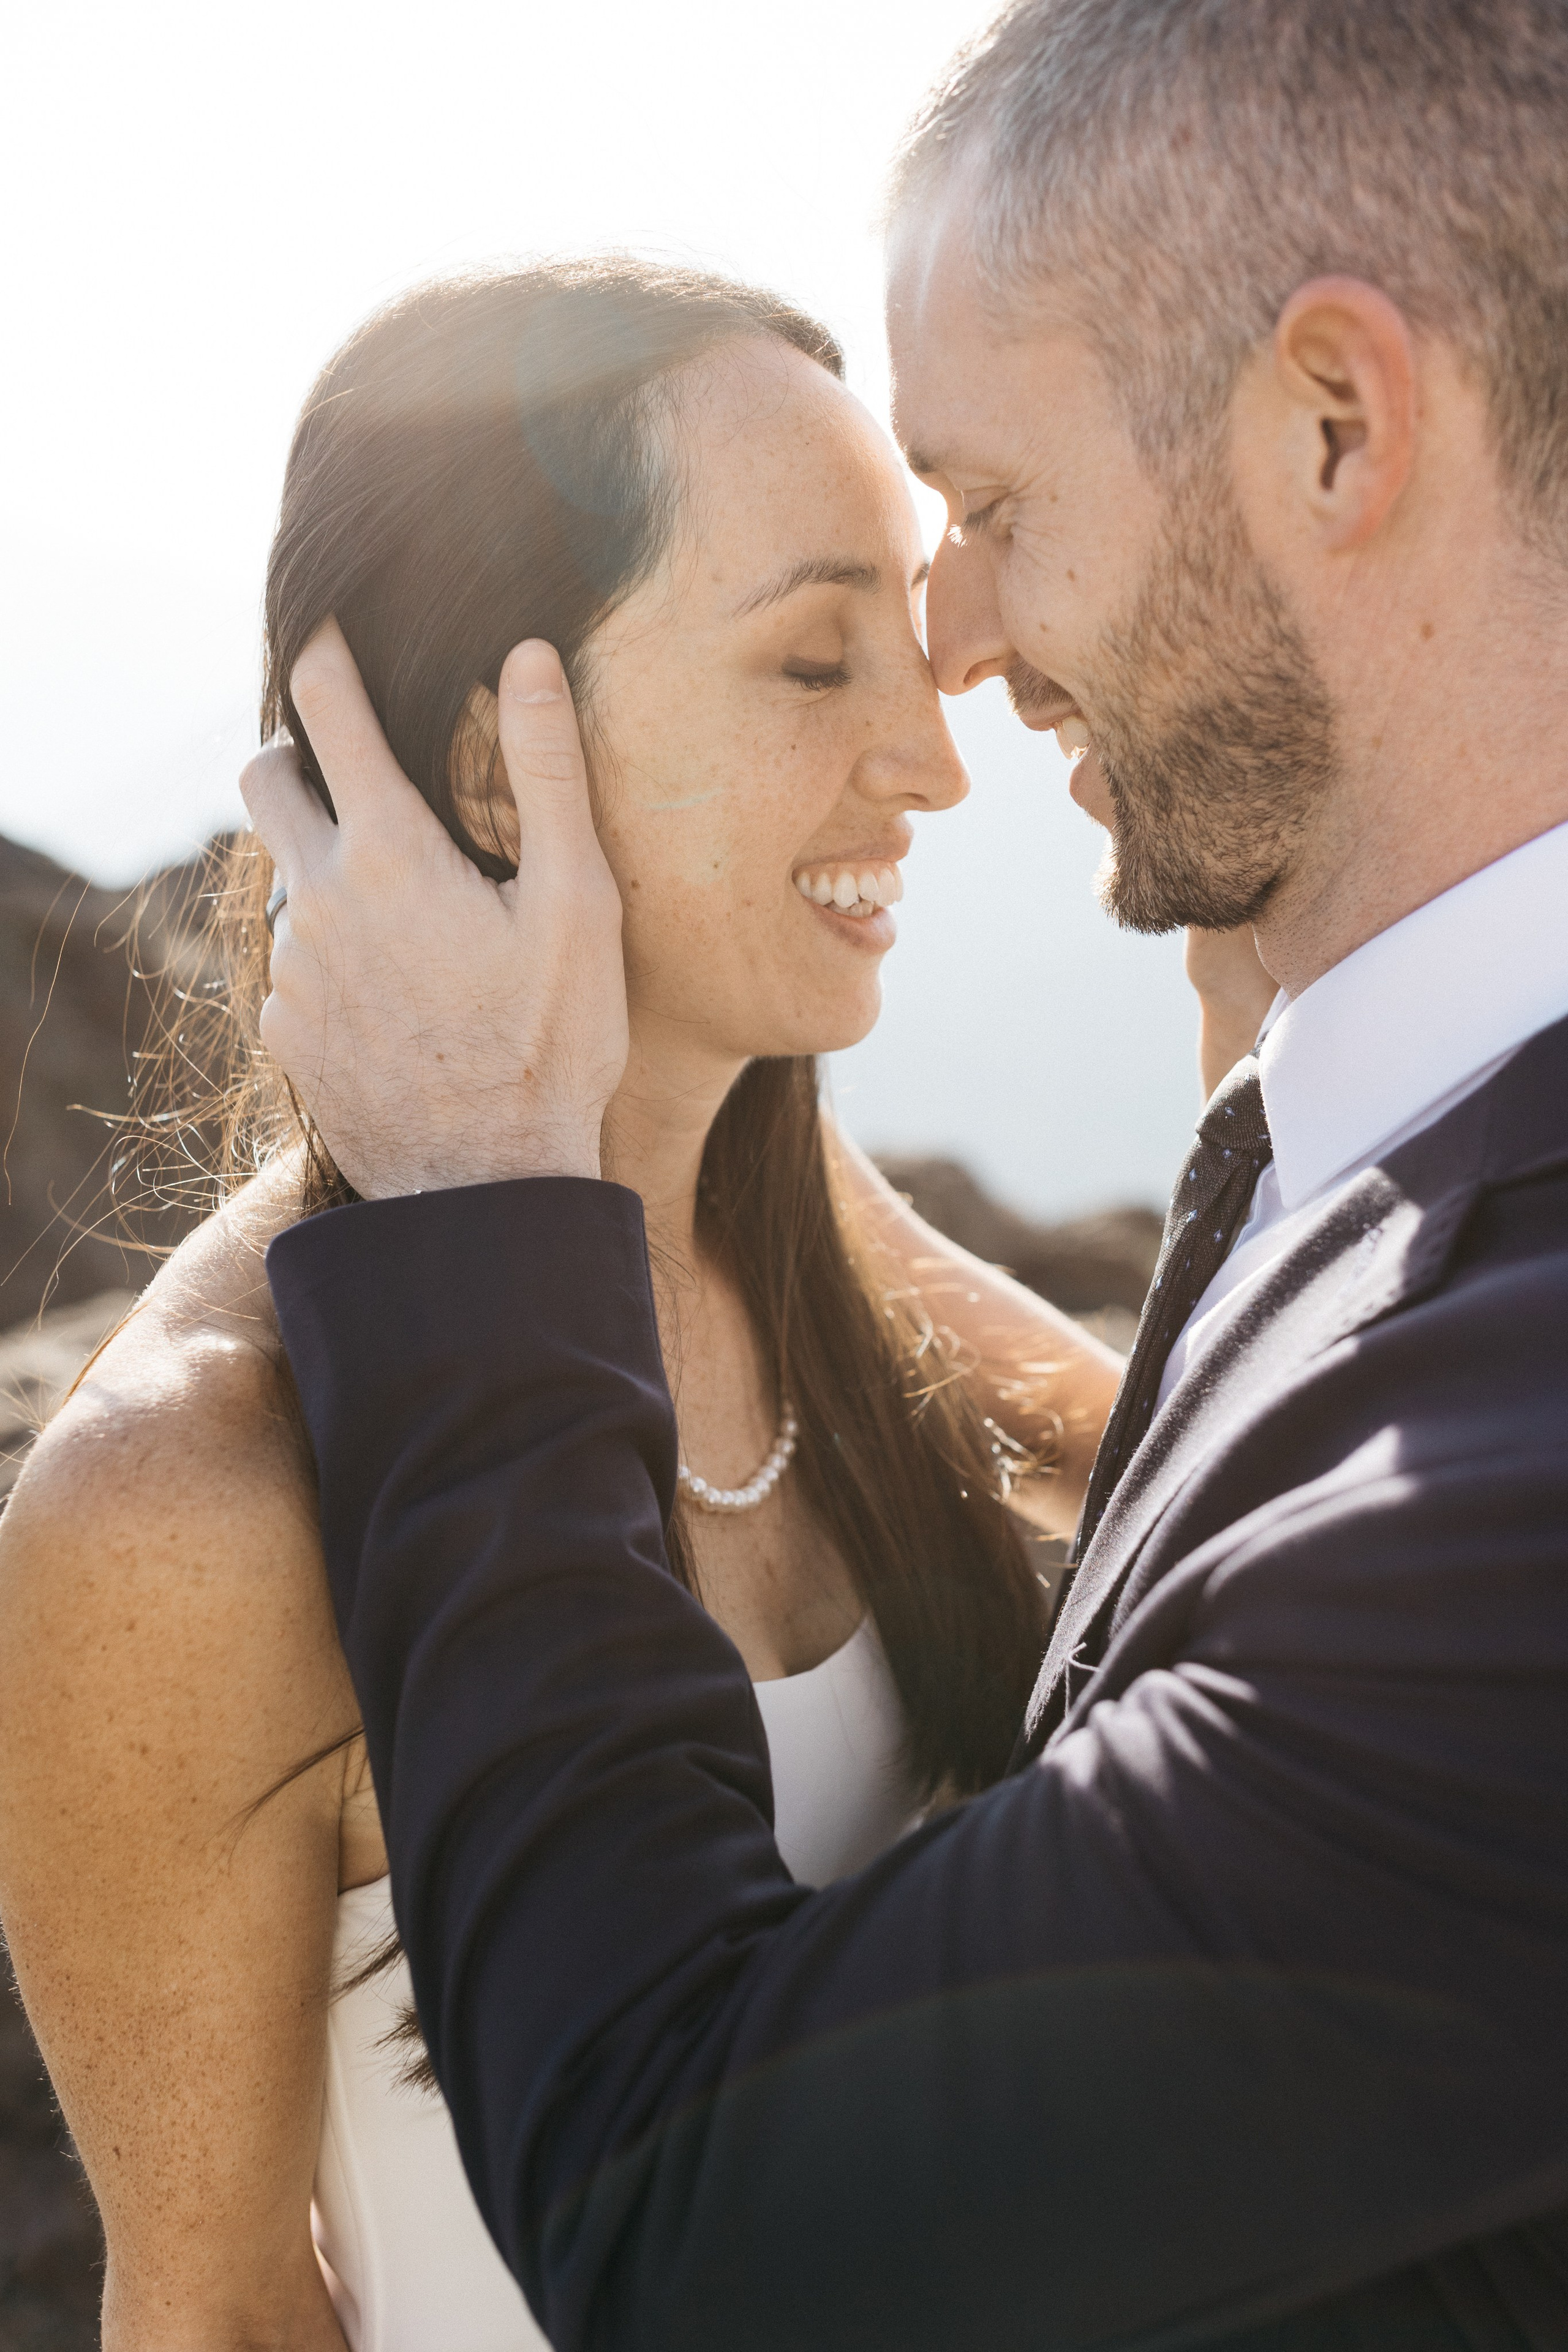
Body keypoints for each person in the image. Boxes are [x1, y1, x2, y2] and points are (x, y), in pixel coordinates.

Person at [198, 0, 1568, 2346]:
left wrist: (478, 1218)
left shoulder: (1507, 1488)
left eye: (996, 511)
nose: (957, 662)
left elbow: (696, 2226)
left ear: (1335, 427)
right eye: (819, 645)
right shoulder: (1373, 1127)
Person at [0, 258, 1265, 2351]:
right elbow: (215, 2315)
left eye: (909, 643)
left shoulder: (804, 1223)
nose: (931, 765)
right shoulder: (181, 1511)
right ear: (494, 770)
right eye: (814, 661)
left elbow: (1213, 1517)